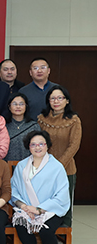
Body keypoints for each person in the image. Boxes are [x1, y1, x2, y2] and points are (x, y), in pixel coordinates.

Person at [11, 130, 70, 244]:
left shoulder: (56, 167)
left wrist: (39, 209)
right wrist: (24, 207)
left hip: (51, 209)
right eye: (33, 144)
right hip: (26, 208)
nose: (37, 147)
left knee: (45, 230)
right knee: (20, 225)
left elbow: (62, 195)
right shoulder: (21, 166)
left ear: (47, 146)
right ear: (28, 147)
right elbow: (14, 189)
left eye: (41, 144)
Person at [37, 85, 81, 226]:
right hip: (44, 169)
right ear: (48, 101)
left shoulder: (74, 120)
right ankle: (45, 233)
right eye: (53, 98)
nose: (56, 101)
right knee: (45, 203)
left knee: (64, 204)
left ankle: (64, 235)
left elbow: (74, 146)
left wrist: (57, 166)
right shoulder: (41, 119)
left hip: (66, 170)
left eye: (60, 98)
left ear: (67, 100)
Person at [5, 93, 40, 162]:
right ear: (9, 107)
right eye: (14, 104)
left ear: (26, 106)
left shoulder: (34, 126)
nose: (18, 107)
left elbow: (38, 148)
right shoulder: (4, 126)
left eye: (21, 104)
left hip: (29, 164)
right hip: (7, 165)